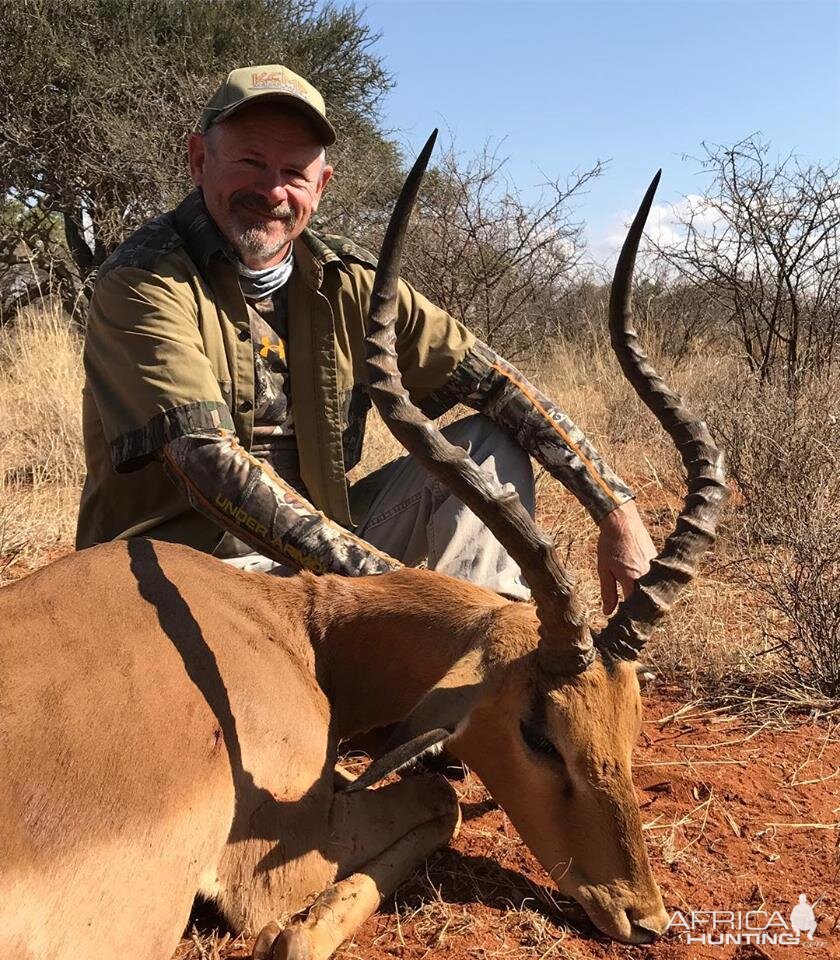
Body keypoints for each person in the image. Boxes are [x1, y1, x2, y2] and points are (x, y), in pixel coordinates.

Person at [77, 64, 655, 612]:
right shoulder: (143, 279)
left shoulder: (347, 280)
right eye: (250, 162)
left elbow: (495, 382)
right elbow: (205, 461)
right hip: (184, 573)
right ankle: (442, 637)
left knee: (488, 442)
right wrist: (394, 589)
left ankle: (477, 675)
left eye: (295, 173)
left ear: (321, 184)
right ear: (199, 159)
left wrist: (616, 508)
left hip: (326, 561)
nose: (272, 190)